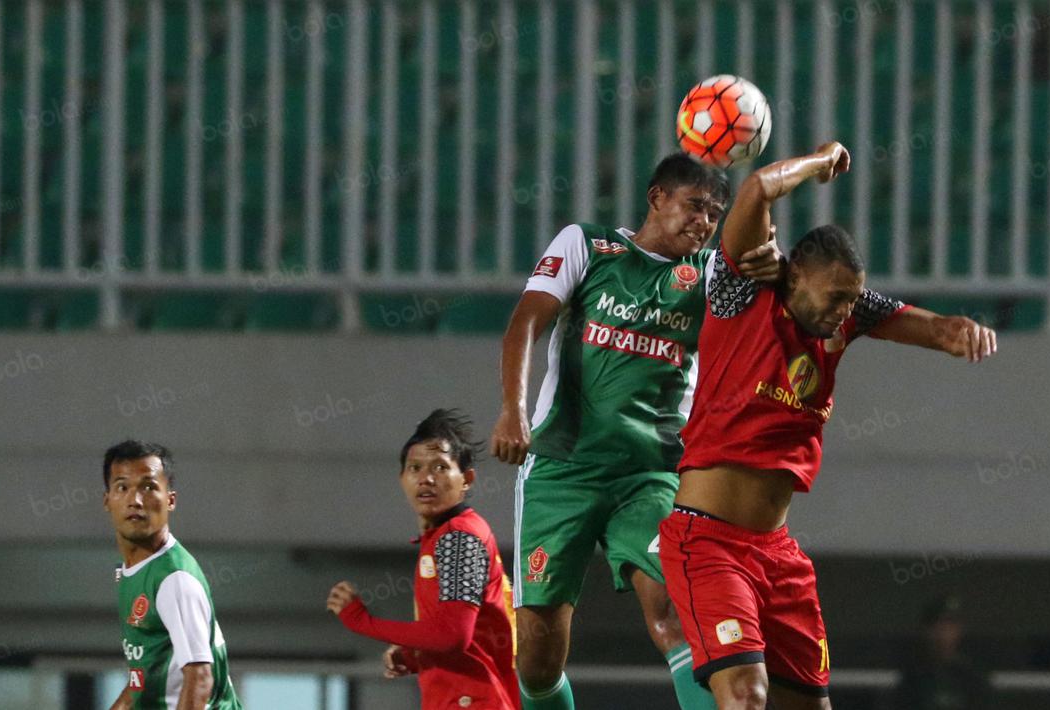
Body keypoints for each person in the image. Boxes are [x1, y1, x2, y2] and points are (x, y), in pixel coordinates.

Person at [658, 142, 999, 710]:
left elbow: (932, 329)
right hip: (709, 541)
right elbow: (758, 189)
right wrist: (819, 164)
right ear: (795, 280)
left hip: (778, 554)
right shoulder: (744, 291)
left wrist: (959, 330)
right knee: (745, 695)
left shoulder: (845, 318)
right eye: (836, 296)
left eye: (852, 299)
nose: (847, 309)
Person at [490, 153, 783, 710]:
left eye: (714, 214)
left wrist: (770, 255)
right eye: (694, 206)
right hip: (562, 466)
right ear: (656, 198)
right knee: (538, 652)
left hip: (652, 474)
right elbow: (526, 321)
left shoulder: (708, 276)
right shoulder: (588, 245)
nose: (704, 222)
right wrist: (513, 410)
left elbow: (760, 262)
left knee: (676, 609)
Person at [327, 409, 520, 710]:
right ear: (402, 478)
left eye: (441, 467)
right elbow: (466, 637)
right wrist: (415, 654)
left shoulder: (460, 538)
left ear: (467, 479)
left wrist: (363, 622)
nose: (426, 478)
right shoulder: (444, 537)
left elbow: (453, 635)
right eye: (415, 467)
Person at [103, 440, 241, 710]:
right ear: (107, 500)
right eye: (122, 487)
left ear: (170, 500)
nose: (135, 500)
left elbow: (200, 677)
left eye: (149, 487)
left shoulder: (174, 579)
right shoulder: (135, 570)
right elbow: (140, 681)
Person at [892, 595, 992, 710]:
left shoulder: (973, 677)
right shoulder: (914, 678)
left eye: (952, 625)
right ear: (927, 629)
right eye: (941, 625)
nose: (945, 632)